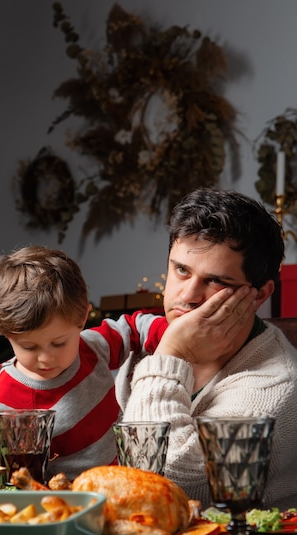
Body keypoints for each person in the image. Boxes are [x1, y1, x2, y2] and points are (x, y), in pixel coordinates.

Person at [117, 187, 297, 511]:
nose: (188, 295)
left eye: (216, 281)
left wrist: (172, 355)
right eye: (181, 270)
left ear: (259, 295)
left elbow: (167, 486)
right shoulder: (136, 345)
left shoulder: (275, 386)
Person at [0, 245, 167, 485]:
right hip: (64, 500)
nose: (46, 358)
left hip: (121, 483)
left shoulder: (92, 347)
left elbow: (134, 327)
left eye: (59, 343)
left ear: (82, 319)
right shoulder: (8, 391)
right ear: (1, 327)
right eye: (29, 347)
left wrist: (175, 335)